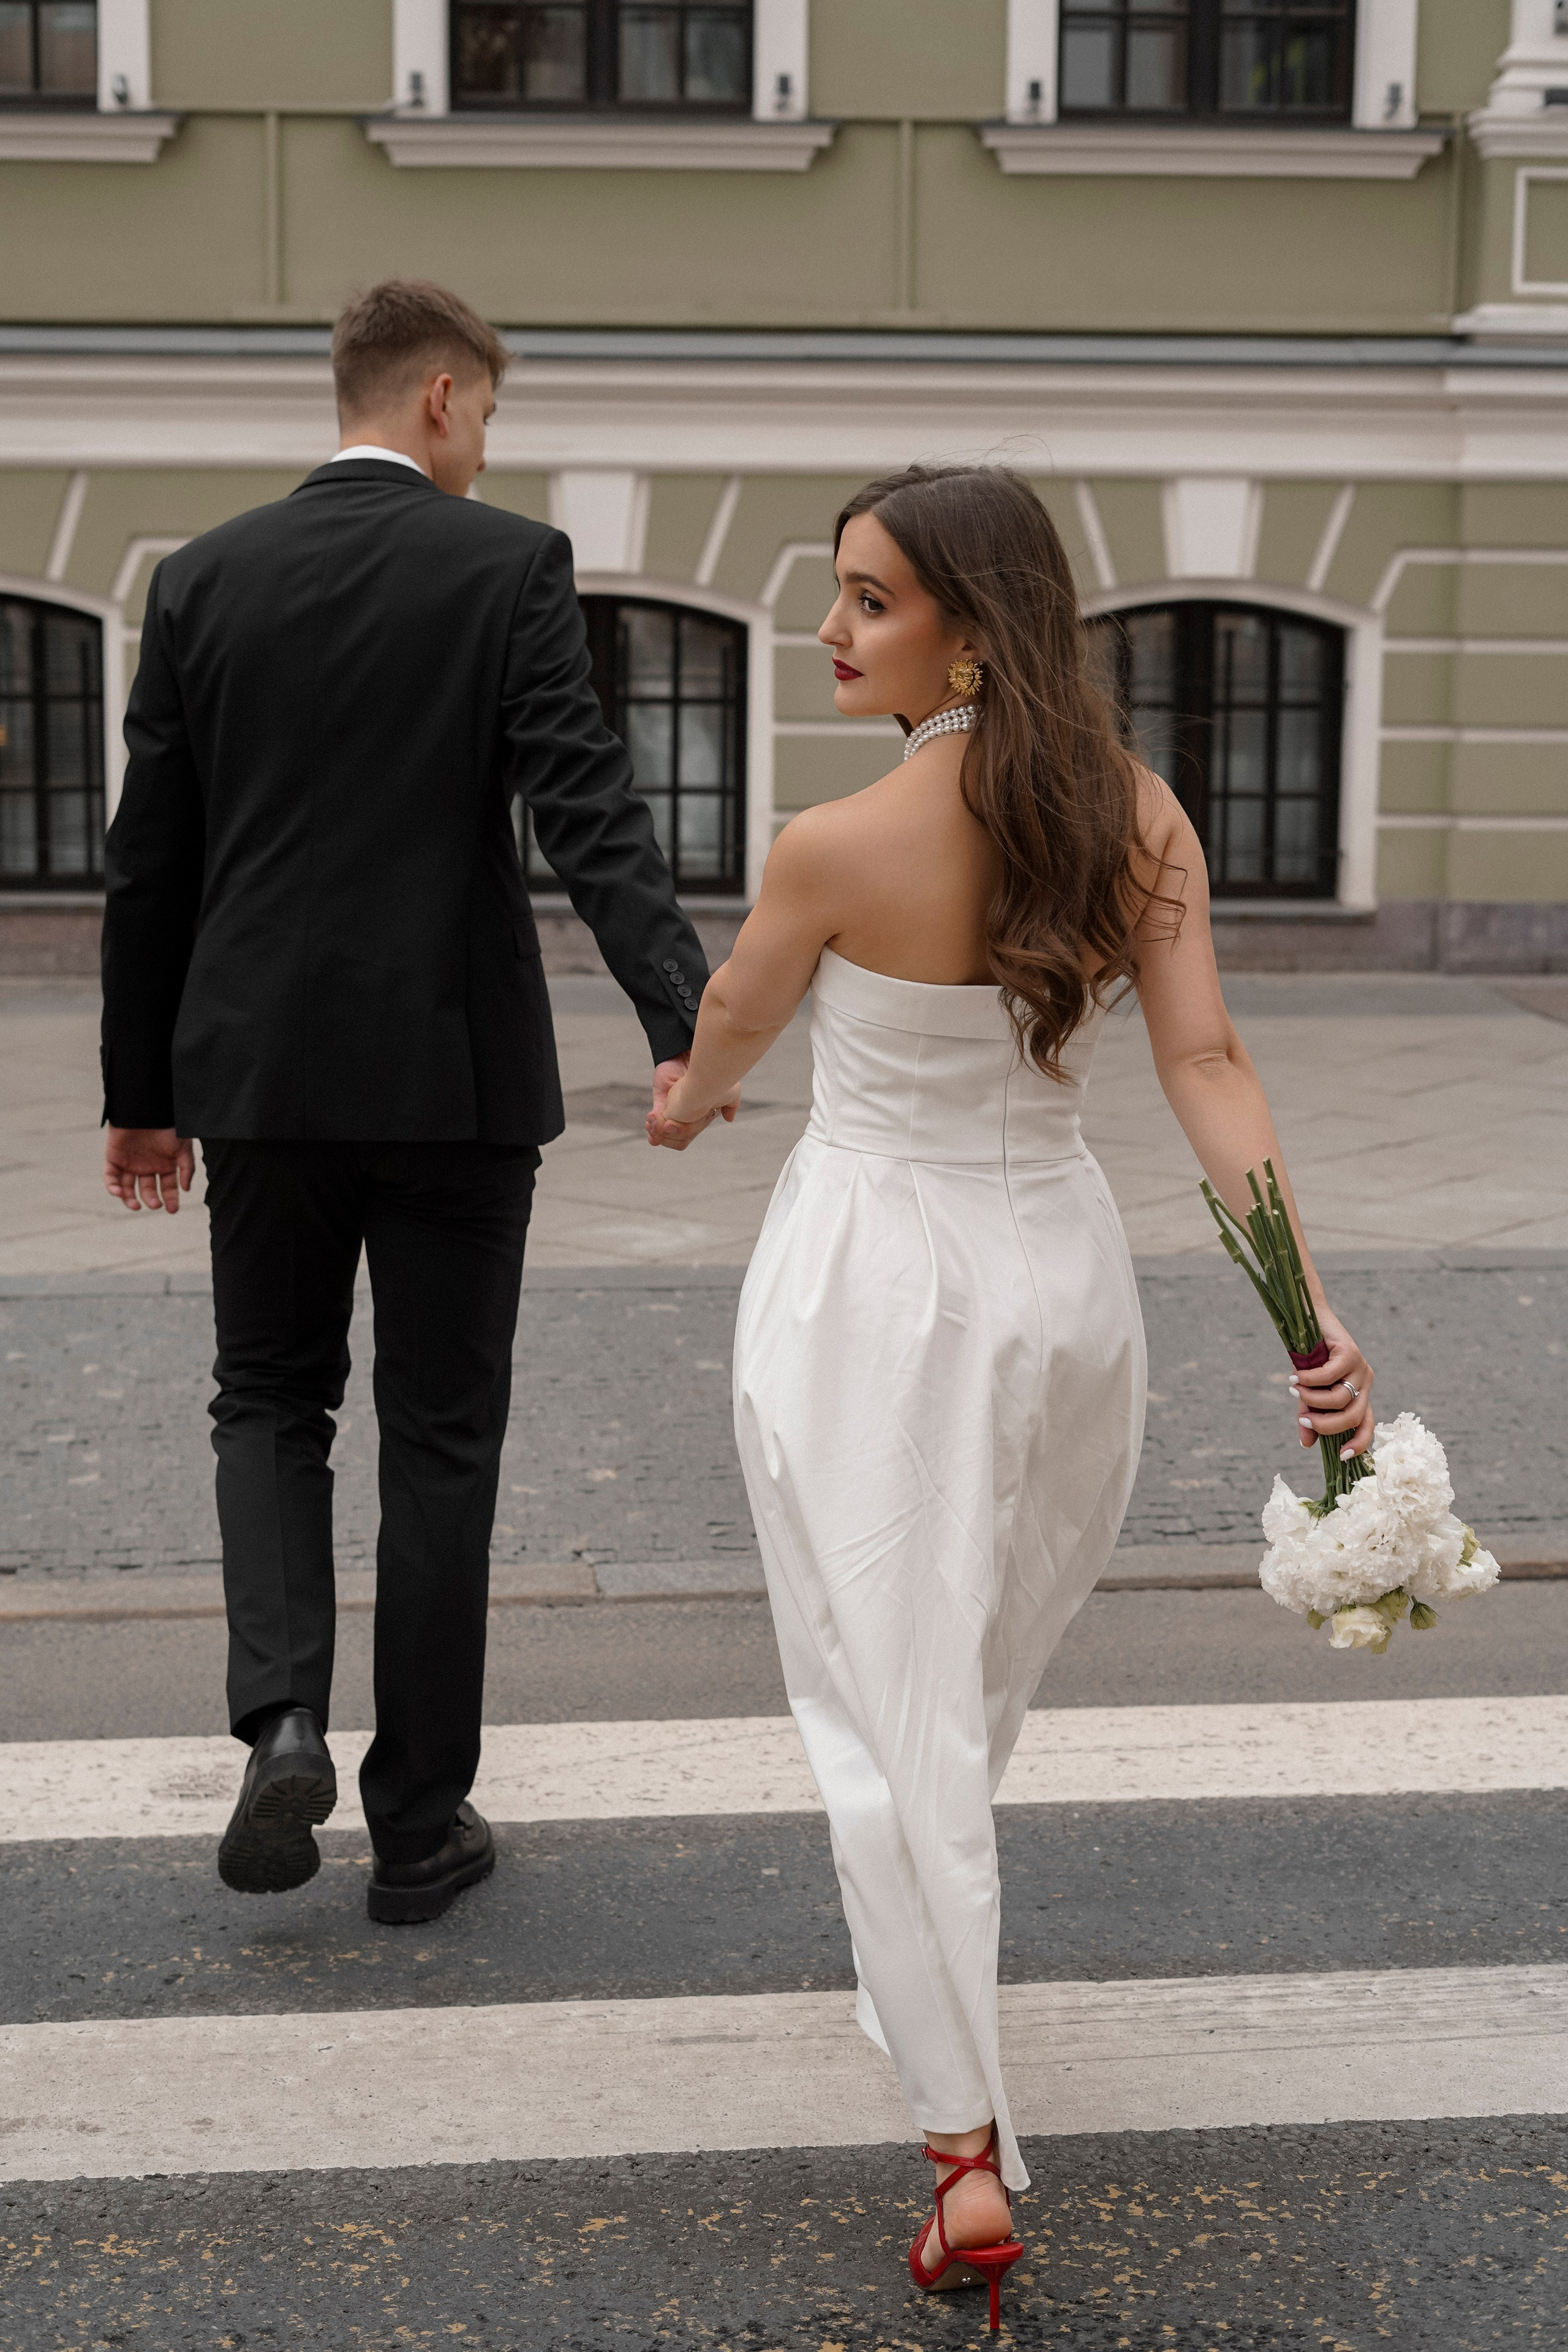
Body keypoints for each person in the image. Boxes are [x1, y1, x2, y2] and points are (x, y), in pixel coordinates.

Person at [647, 464, 1373, 2326]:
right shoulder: (1136, 815)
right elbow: (1207, 1063)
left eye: (871, 599)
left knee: (879, 1706)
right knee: (960, 1693)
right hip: (1058, 1290)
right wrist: (1306, 1313)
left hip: (876, 1298)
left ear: (970, 630)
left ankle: (959, 2146)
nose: (832, 628)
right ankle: (930, 1987)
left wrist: (687, 1102)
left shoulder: (830, 845)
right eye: (839, 591)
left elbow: (729, 1028)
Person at [99, 278, 731, 1924]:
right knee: (439, 1439)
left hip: (257, 1079)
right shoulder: (505, 567)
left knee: (267, 1398)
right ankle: (419, 1825)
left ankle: (280, 1719)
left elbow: (150, 860)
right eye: (490, 416)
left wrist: (140, 1092)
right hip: (453, 1083)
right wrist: (686, 1019)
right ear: (442, 396)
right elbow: (588, 809)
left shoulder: (203, 578)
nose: (486, 448)